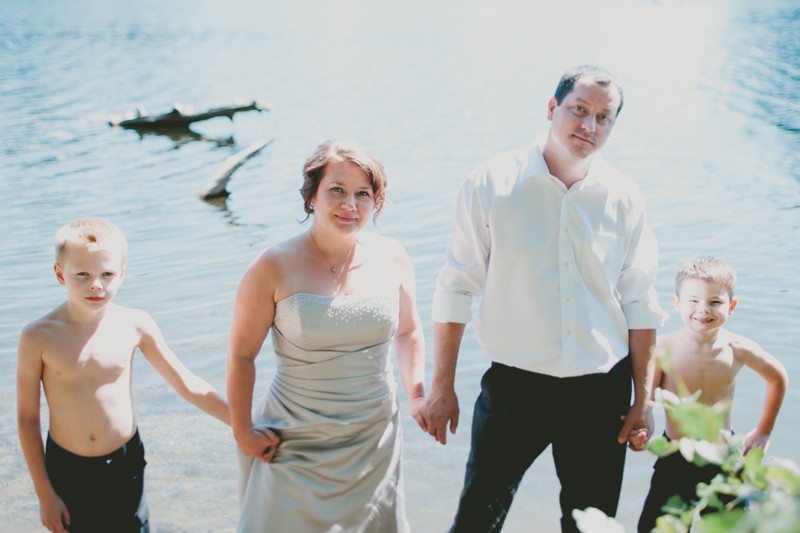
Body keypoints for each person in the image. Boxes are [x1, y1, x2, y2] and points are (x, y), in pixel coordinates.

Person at [421, 65, 668, 532]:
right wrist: (441, 387)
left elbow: (640, 302)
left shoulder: (625, 197)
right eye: (579, 110)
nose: (589, 126)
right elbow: (455, 287)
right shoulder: (490, 183)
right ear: (552, 108)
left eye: (603, 117)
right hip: (516, 387)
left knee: (590, 525)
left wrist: (644, 399)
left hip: (601, 390)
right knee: (477, 520)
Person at [226, 139, 427, 532]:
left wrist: (418, 395)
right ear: (311, 196)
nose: (349, 205)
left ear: (376, 202)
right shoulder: (272, 265)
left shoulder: (394, 257)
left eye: (362, 194)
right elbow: (241, 356)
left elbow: (409, 331)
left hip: (374, 437)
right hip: (293, 440)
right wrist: (242, 432)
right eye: (336, 190)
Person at [16, 217, 231, 533]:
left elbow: (186, 384)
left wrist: (243, 425)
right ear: (60, 274)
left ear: (122, 273)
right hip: (68, 468)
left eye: (107, 274)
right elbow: (27, 419)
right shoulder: (38, 337)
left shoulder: (135, 324)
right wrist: (44, 493)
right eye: (83, 275)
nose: (96, 284)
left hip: (125, 462)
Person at [636, 257, 788, 533]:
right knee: (657, 528)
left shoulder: (737, 348)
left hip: (723, 455)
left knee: (731, 527)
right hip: (677, 455)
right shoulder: (663, 350)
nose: (703, 309)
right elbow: (646, 400)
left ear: (731, 306)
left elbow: (778, 378)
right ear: (677, 303)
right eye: (693, 301)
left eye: (715, 302)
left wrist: (764, 430)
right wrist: (645, 423)